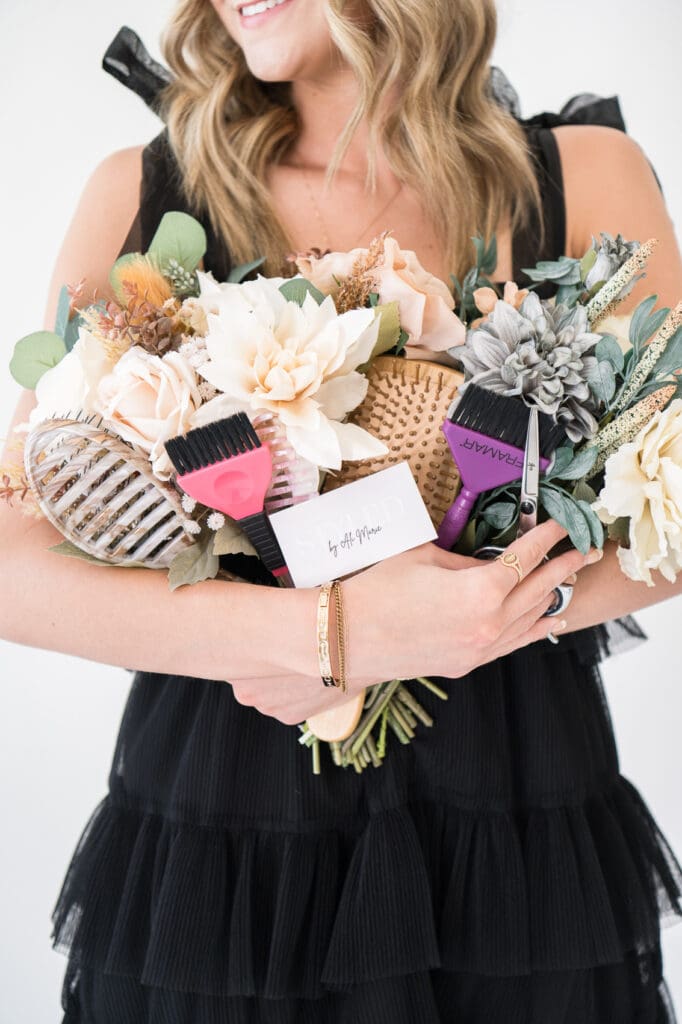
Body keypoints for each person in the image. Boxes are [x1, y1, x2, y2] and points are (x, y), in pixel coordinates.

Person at [1, 0, 681, 1020]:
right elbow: (14, 558)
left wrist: (464, 624)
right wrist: (330, 635)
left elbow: (669, 509)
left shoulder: (579, 178)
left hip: (511, 821)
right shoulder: (150, 200)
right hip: (227, 843)